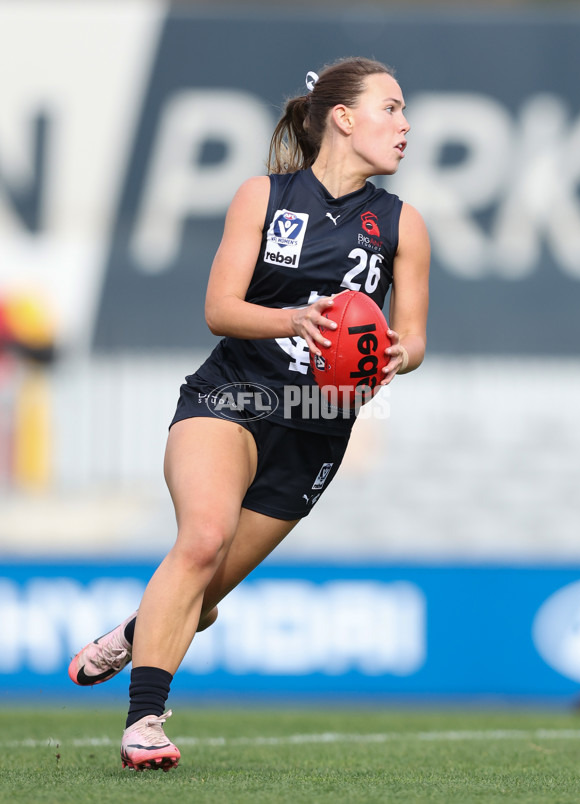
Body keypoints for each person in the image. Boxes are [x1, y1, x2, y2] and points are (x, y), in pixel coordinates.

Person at [68, 56, 430, 772]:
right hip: (231, 395)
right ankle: (145, 723)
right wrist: (295, 320)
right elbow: (219, 310)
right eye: (391, 108)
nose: (405, 124)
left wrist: (397, 354)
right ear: (343, 118)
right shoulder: (261, 198)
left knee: (200, 598)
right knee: (201, 541)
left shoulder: (402, 224)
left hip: (316, 426)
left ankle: (139, 628)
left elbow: (414, 336)